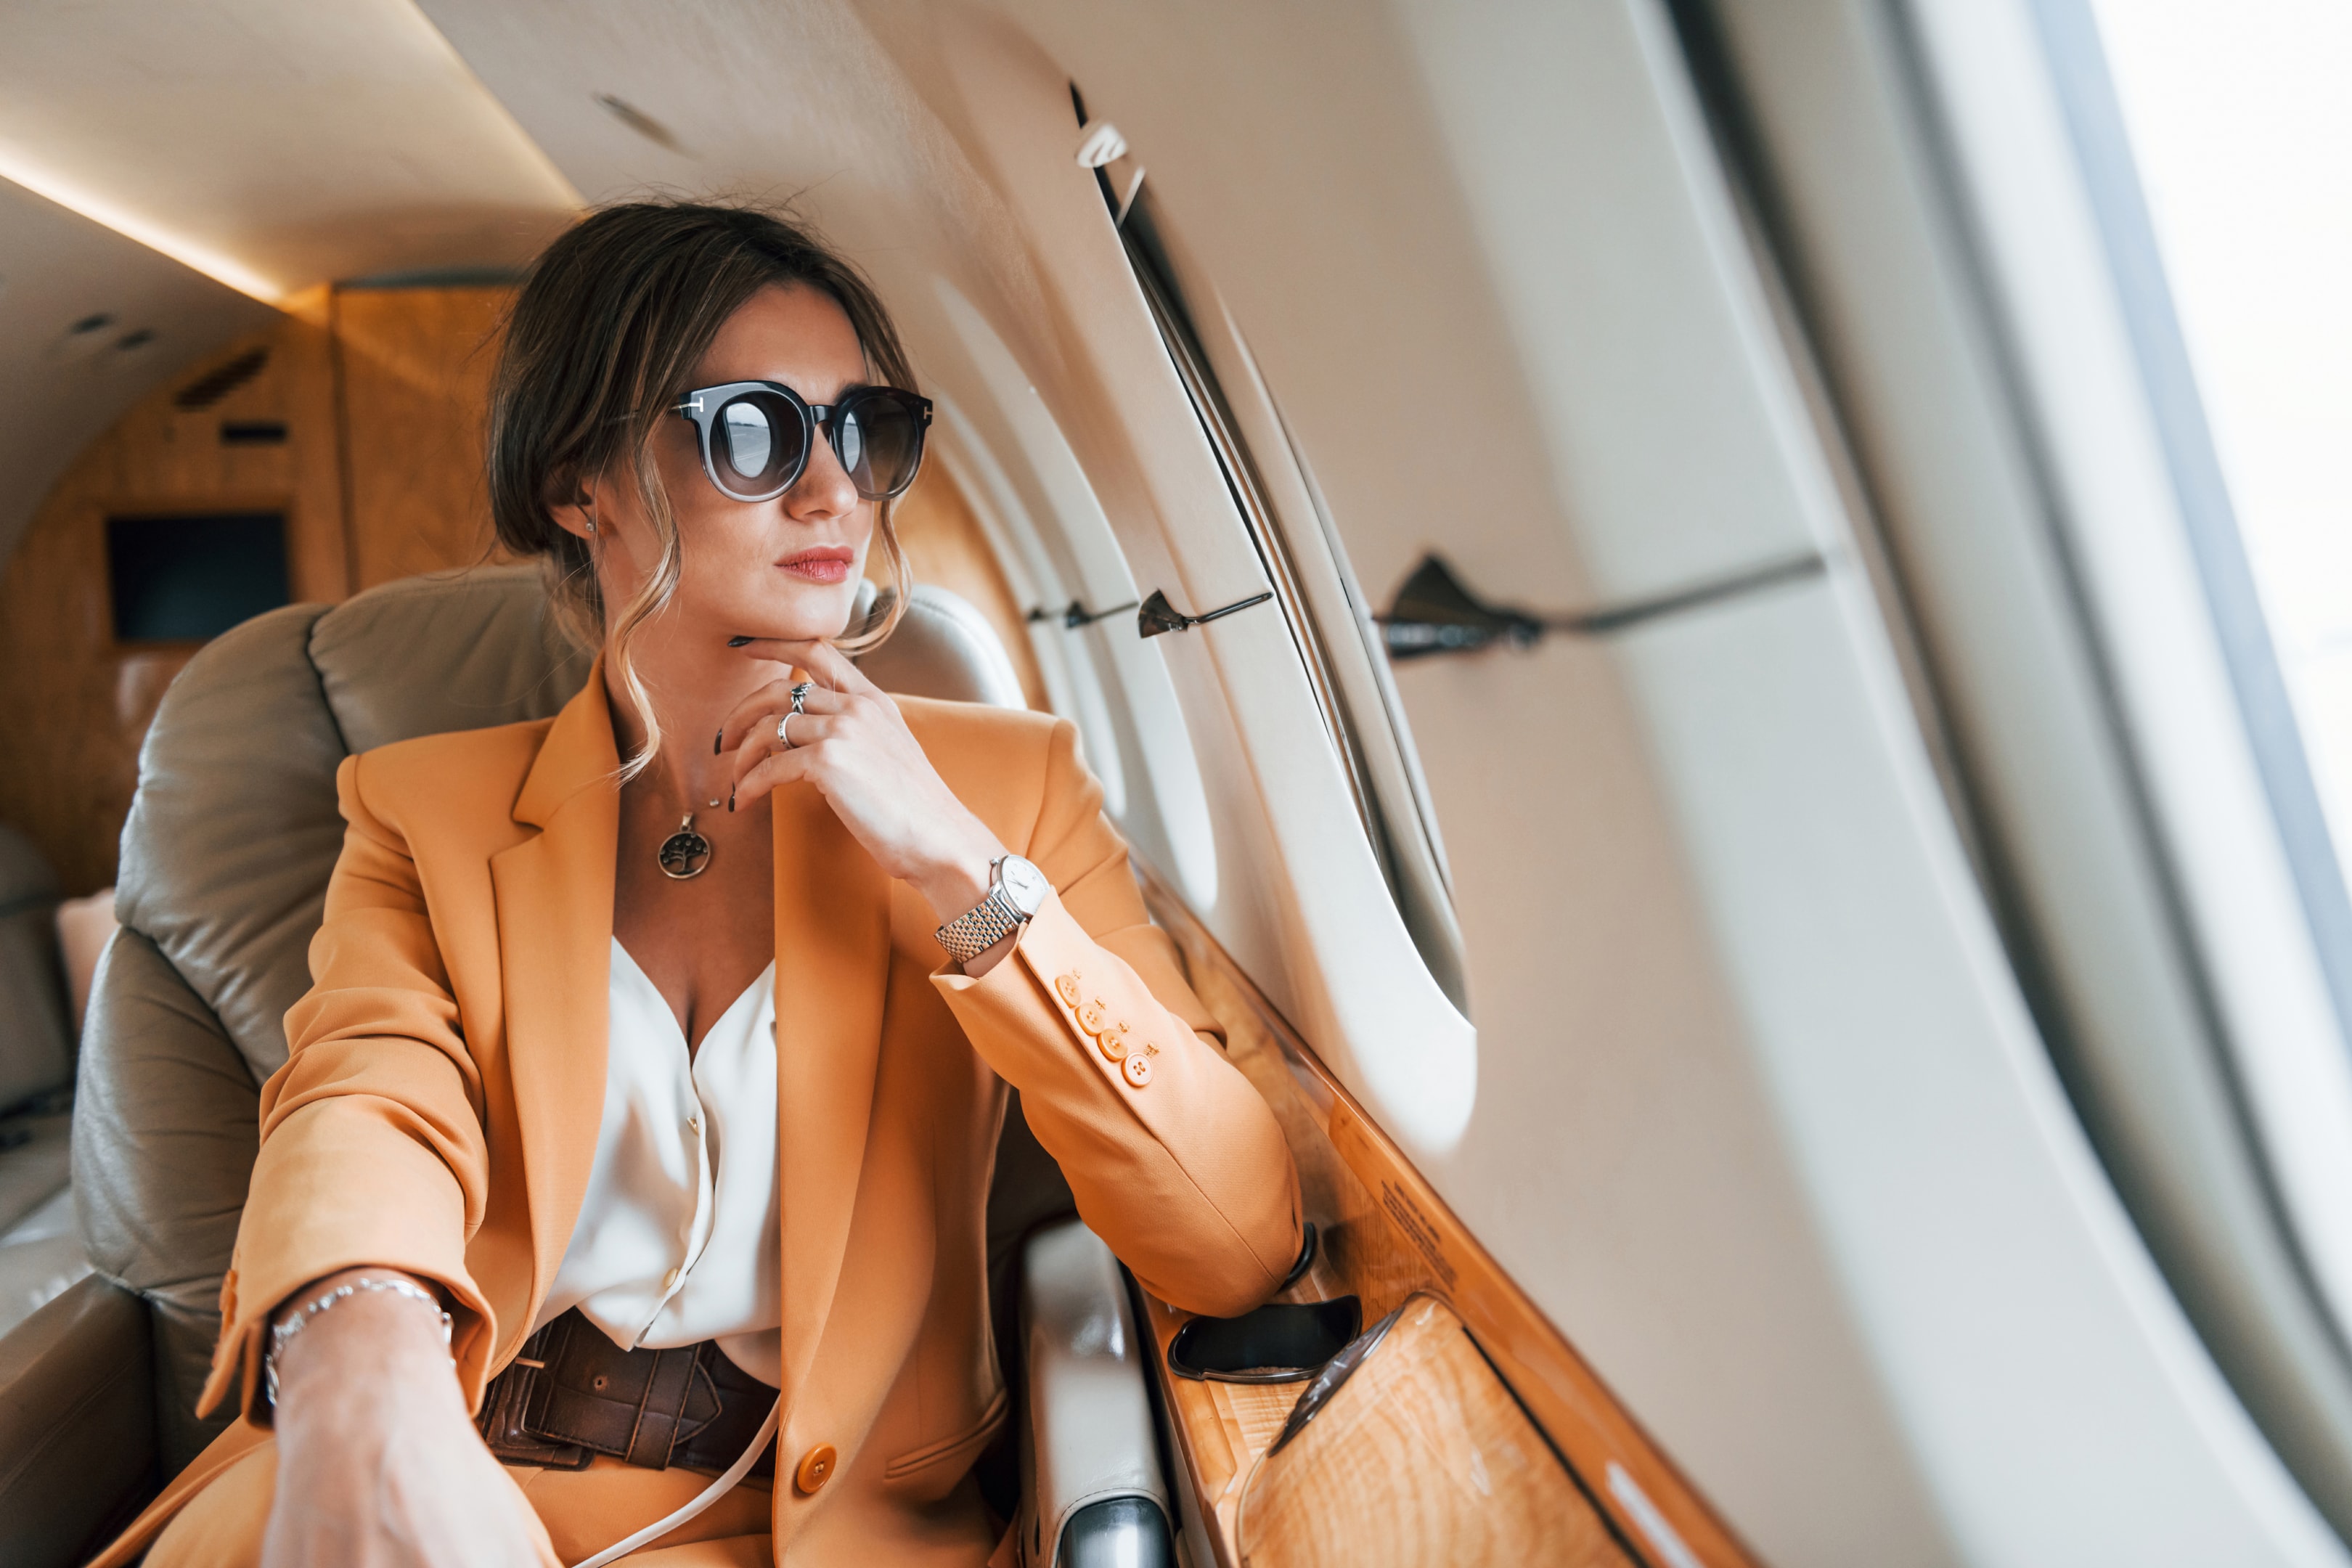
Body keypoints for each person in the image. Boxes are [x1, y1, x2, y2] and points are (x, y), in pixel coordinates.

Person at [91, 200, 1302, 1568]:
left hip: (776, 1526)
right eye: (753, 430)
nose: (832, 489)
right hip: (419, 1465)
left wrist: (957, 865)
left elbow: (1235, 1242)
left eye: (863, 430)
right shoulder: (423, 810)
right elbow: (365, 1101)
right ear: (579, 481)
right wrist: (358, 1371)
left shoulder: (1006, 796)